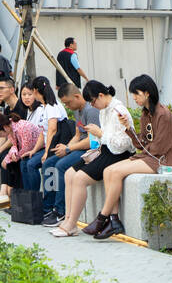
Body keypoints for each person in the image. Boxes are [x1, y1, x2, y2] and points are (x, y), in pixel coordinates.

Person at [92, 74, 172, 240]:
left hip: (161, 161)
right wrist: (127, 127)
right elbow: (141, 143)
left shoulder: (163, 115)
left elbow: (159, 147)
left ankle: (102, 217)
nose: (134, 98)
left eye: (136, 94)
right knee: (108, 171)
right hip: (149, 156)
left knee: (116, 172)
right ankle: (114, 219)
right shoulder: (146, 114)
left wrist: (140, 153)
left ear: (147, 93)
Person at [50, 82, 134, 237]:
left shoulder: (118, 110)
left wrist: (100, 133)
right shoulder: (103, 110)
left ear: (101, 96)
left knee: (80, 179)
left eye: (93, 102)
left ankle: (71, 224)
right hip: (104, 149)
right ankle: (68, 220)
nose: (93, 106)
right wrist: (97, 136)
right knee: (69, 173)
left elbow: (125, 143)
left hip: (118, 154)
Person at [38, 83, 96, 226]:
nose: (67, 107)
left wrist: (69, 150)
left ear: (77, 96)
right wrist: (66, 147)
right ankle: (48, 206)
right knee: (48, 164)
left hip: (90, 150)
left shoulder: (91, 111)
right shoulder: (78, 111)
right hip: (78, 147)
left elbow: (91, 141)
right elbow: (78, 135)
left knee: (61, 166)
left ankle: (60, 211)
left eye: (68, 103)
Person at [20, 75, 72, 193]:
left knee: (33, 164)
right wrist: (33, 151)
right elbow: (42, 132)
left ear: (35, 91)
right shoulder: (44, 107)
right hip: (47, 146)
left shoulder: (52, 106)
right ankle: (29, 198)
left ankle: (43, 203)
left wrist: (47, 152)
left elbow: (52, 130)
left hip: (56, 146)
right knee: (24, 161)